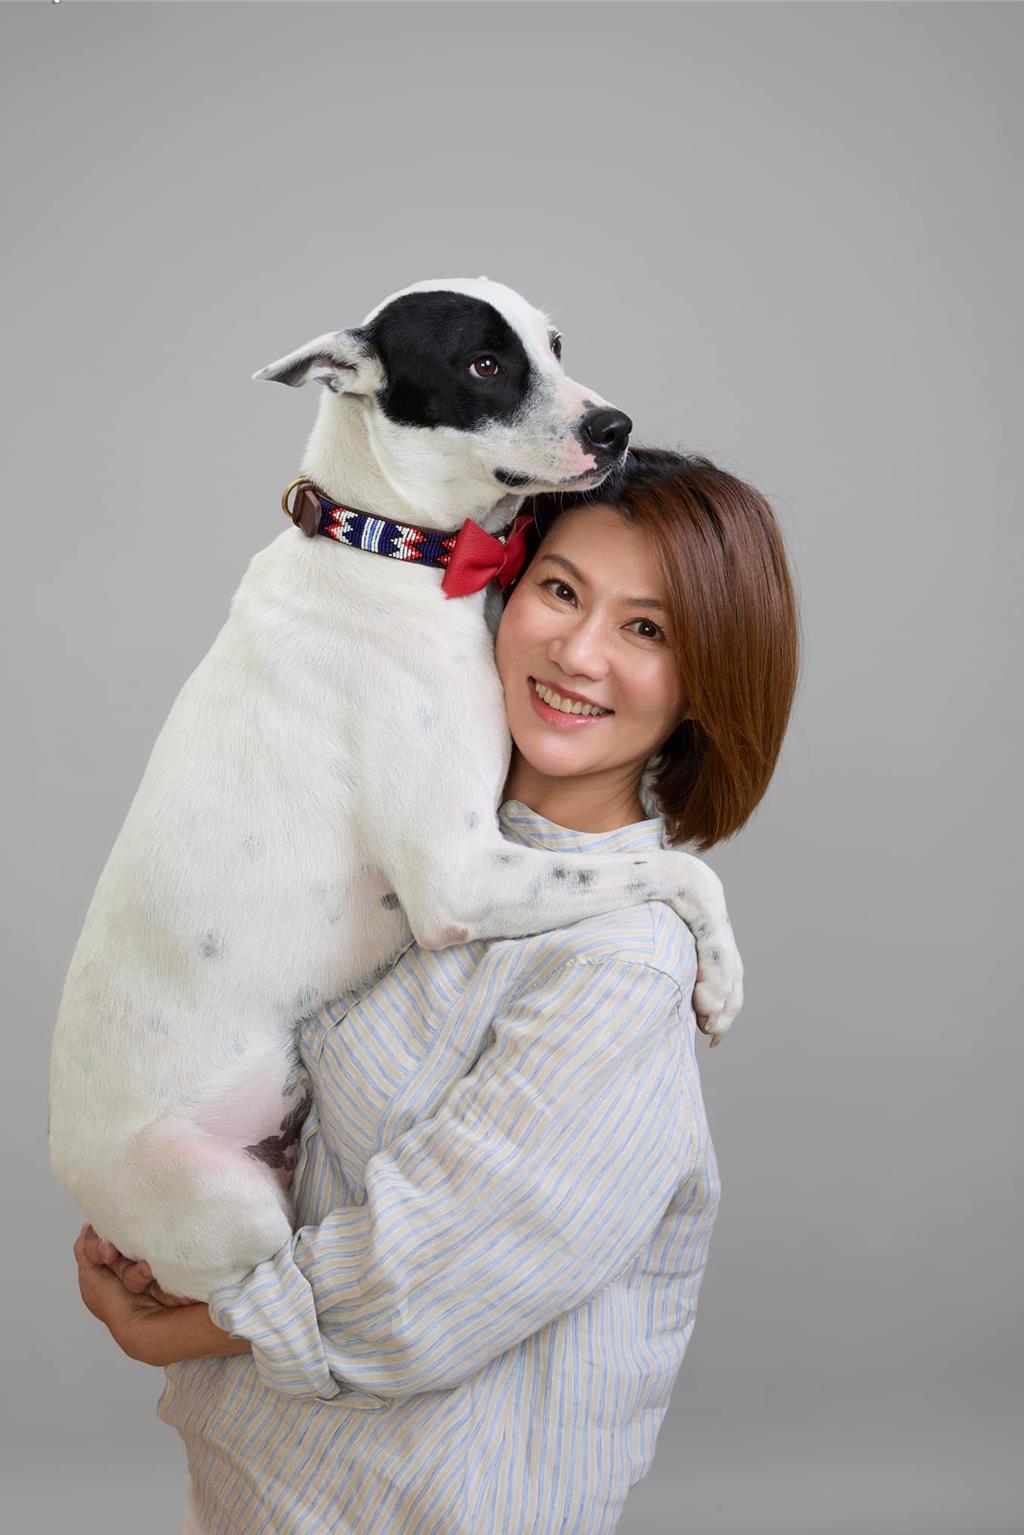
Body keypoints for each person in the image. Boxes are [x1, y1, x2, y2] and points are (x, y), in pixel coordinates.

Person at [74, 447, 800, 1535]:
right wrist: (164, 1232)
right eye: (561, 591)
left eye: (646, 628)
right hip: (263, 1488)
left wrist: (175, 1325)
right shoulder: (401, 857)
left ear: (705, 682)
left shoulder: (622, 961)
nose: (578, 652)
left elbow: (433, 1274)